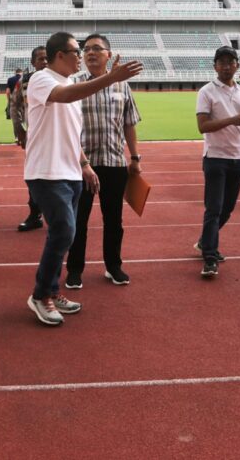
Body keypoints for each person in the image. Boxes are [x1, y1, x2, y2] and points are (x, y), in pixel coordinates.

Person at [24, 31, 142, 326]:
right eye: (77, 51)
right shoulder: (42, 79)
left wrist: (84, 164)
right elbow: (64, 97)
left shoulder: (72, 83)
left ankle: (52, 289)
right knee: (64, 232)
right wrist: (110, 78)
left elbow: (71, 134)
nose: (81, 56)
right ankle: (40, 295)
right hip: (46, 172)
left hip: (72, 172)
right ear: (60, 55)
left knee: (66, 232)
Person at [64, 34, 142, 290]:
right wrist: (82, 163)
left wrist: (134, 157)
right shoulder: (73, 83)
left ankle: (113, 266)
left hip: (114, 163)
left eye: (97, 49)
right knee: (78, 220)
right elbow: (65, 126)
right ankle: (75, 270)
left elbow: (129, 123)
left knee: (114, 220)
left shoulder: (122, 86)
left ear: (109, 54)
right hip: (81, 164)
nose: (90, 53)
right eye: (86, 49)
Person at [195, 46, 240, 278]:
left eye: (230, 62)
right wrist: (233, 119)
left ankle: (204, 241)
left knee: (228, 209)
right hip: (215, 157)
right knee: (214, 208)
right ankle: (210, 257)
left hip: (238, 156)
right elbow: (202, 126)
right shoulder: (207, 92)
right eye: (221, 62)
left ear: (236, 65)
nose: (226, 66)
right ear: (215, 66)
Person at [11, 46, 48, 231]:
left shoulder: (62, 79)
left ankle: (61, 215)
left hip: (56, 137)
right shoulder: (23, 82)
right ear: (33, 63)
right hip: (34, 136)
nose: (45, 62)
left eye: (47, 58)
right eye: (41, 59)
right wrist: (19, 130)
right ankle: (35, 214)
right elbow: (14, 105)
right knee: (34, 176)